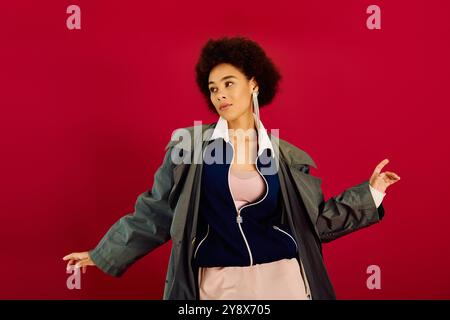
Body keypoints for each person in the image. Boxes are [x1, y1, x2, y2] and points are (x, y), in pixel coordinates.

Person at [63, 36, 400, 300]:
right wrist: (103, 253)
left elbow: (314, 223)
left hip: (284, 281)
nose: (220, 95)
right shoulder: (190, 146)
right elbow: (157, 211)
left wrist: (371, 193)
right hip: (217, 282)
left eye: (228, 83)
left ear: (254, 84)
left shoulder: (286, 156)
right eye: (213, 89)